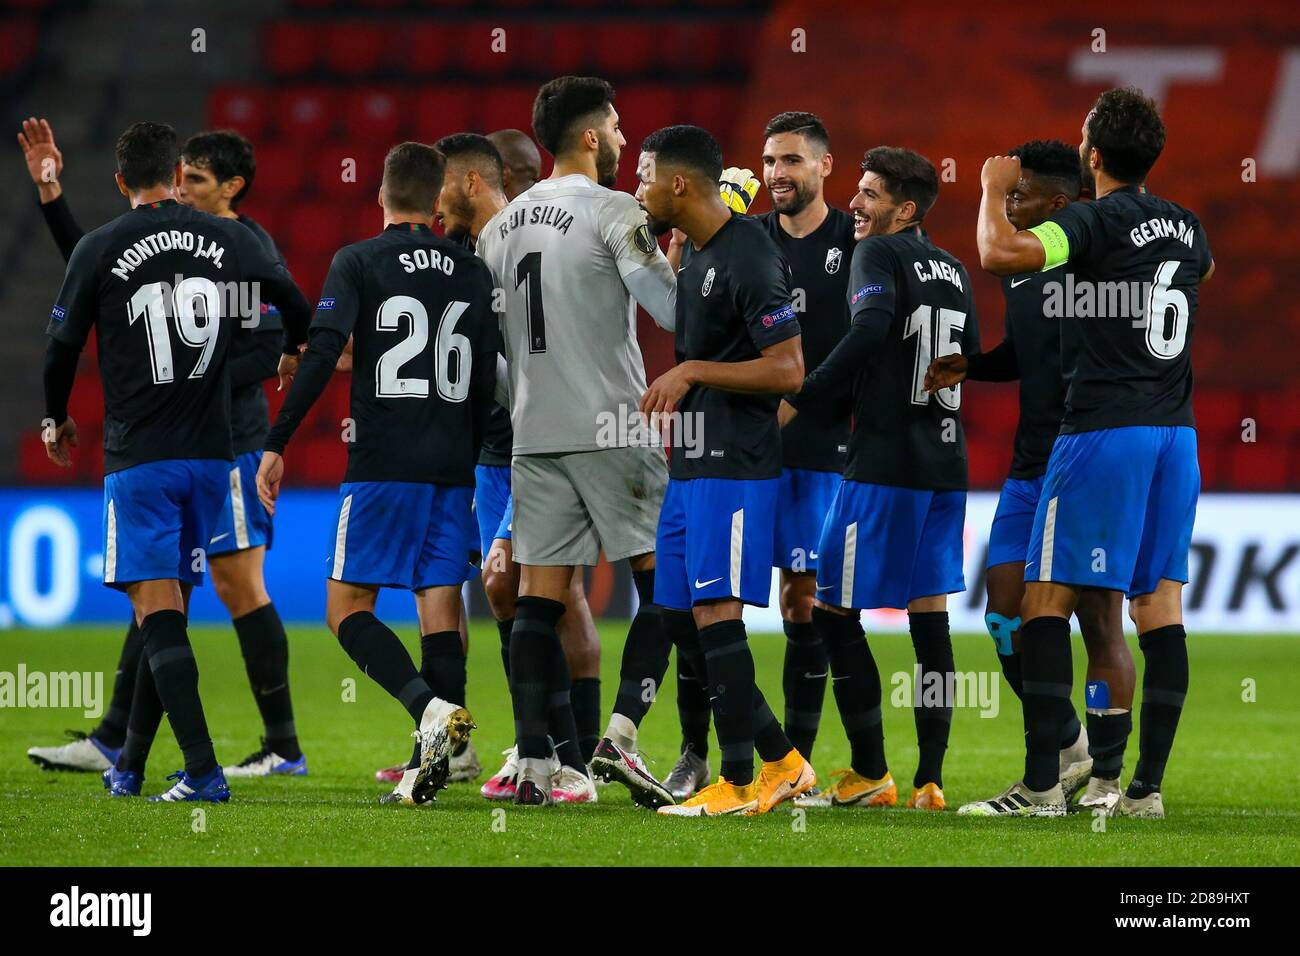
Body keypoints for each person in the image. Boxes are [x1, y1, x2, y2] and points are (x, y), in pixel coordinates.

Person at [20, 119, 308, 779]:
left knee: (235, 588)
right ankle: (118, 742)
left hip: (226, 440)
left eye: (202, 180)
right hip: (196, 445)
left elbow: (264, 343)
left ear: (228, 187)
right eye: (188, 176)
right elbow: (96, 267)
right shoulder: (193, 243)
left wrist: (188, 379)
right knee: (162, 591)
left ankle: (281, 745)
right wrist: (51, 193)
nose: (191, 187)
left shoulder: (238, 244)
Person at [960, 88, 1212, 818]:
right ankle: (1141, 789)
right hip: (1178, 434)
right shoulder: (1187, 227)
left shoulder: (1093, 221)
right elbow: (1203, 274)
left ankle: (1042, 786)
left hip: (1103, 431)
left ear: (1093, 156)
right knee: (1158, 609)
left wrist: (989, 188)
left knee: (1044, 601)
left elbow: (998, 251)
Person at [475, 76, 678, 806]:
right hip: (614, 425)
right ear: (590, 137)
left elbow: (488, 355)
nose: (624, 139)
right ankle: (618, 737)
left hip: (534, 433)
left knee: (538, 600)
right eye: (617, 127)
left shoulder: (498, 229)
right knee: (666, 586)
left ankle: (535, 764)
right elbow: (671, 307)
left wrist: (530, 400)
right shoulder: (616, 210)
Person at [925, 139, 1133, 808]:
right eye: (1005, 195)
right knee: (1005, 612)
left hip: (1084, 460)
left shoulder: (1088, 260)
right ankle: (1066, 738)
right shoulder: (1021, 271)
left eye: (1019, 196)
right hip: (1028, 464)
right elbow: (1028, 351)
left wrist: (987, 188)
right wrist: (975, 365)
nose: (1008, 205)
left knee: (1098, 621)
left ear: (1060, 205)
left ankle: (1099, 777)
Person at [782, 146, 977, 812]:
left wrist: (800, 395)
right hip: (946, 465)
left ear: (905, 209)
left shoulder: (878, 255)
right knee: (931, 622)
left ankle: (870, 772)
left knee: (832, 611)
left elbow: (869, 328)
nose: (854, 206)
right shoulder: (953, 270)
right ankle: (931, 779)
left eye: (868, 195)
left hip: (885, 464)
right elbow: (963, 359)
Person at [635, 124, 813, 818]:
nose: (637, 189)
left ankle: (743, 781)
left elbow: (790, 369)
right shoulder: (703, 252)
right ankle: (776, 765)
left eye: (646, 176)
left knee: (716, 612)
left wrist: (690, 370)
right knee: (685, 617)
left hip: (735, 467)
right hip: (693, 466)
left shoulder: (748, 255)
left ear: (679, 183)